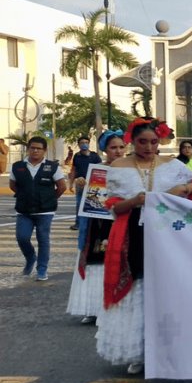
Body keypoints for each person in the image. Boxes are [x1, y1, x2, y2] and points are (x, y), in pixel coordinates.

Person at [99, 118, 192, 374]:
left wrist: (182, 187)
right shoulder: (118, 166)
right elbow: (112, 206)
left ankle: (172, 347)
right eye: (142, 142)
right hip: (133, 234)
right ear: (132, 141)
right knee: (139, 286)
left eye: (153, 142)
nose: (149, 147)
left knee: (169, 285)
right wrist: (135, 201)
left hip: (168, 234)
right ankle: (139, 350)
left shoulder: (173, 166)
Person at [67, 130, 127, 325]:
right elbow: (90, 197)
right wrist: (81, 183)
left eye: (121, 147)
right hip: (98, 224)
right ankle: (93, 308)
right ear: (105, 150)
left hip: (123, 222)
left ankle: (120, 305)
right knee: (95, 262)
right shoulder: (98, 171)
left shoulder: (132, 169)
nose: (118, 151)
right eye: (113, 148)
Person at [10, 136, 67, 281]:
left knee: (43, 239)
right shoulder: (17, 166)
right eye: (32, 148)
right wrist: (24, 195)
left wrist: (50, 199)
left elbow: (61, 187)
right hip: (24, 211)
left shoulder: (52, 167)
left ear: (44, 151)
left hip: (45, 212)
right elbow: (13, 185)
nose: (35, 151)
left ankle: (42, 269)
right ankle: (30, 257)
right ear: (28, 149)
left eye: (38, 148)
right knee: (22, 237)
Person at [68, 135, 101, 235]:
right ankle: (78, 224)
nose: (84, 144)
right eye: (82, 143)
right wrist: (71, 184)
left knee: (93, 204)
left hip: (93, 184)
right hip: (80, 184)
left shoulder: (94, 156)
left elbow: (101, 169)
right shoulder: (77, 156)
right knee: (79, 204)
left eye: (86, 142)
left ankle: (94, 224)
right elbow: (73, 170)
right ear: (78, 145)